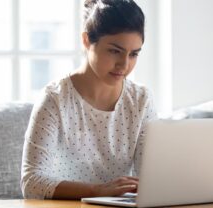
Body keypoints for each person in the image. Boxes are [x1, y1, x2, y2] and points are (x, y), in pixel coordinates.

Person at [20, 0, 157, 200]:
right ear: (86, 41)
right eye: (114, 51)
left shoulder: (141, 100)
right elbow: (31, 182)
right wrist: (96, 191)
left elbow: (152, 177)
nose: (124, 64)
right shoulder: (54, 99)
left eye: (134, 54)